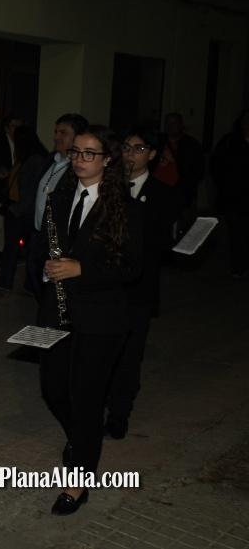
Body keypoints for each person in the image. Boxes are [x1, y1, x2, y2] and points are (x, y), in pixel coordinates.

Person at [37, 125, 142, 515]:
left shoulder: (126, 208)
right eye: (76, 153)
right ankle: (83, 436)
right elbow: (40, 250)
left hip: (102, 320)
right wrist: (46, 271)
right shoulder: (59, 198)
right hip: (56, 313)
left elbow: (132, 267)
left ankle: (78, 481)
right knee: (52, 390)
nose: (80, 160)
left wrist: (82, 268)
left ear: (107, 160)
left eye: (90, 153)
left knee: (86, 398)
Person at [105, 127, 180, 439]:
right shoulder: (109, 186)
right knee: (102, 351)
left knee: (130, 354)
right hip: (106, 285)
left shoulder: (162, 193)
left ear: (151, 154)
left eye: (138, 149)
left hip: (138, 288)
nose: (130, 154)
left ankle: (120, 411)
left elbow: (162, 241)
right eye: (126, 147)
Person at [25, 113, 88, 295]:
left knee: (53, 294)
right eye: (55, 132)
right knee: (37, 284)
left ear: (77, 136)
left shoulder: (78, 170)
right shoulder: (49, 160)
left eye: (63, 133)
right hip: (37, 236)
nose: (56, 137)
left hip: (56, 241)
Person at [0, 125, 49, 291]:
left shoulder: (34, 160)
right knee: (22, 250)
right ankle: (23, 284)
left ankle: (9, 283)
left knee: (16, 250)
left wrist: (16, 210)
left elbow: (32, 191)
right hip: (19, 209)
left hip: (22, 212)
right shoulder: (26, 158)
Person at [209, 110, 249, 278]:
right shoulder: (229, 141)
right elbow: (217, 166)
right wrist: (226, 186)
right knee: (236, 233)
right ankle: (238, 267)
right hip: (234, 196)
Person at [153, 112, 205, 213]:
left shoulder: (192, 145)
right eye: (168, 123)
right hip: (156, 192)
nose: (171, 126)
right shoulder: (157, 142)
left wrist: (173, 160)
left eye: (174, 123)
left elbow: (197, 171)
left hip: (179, 194)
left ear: (181, 125)